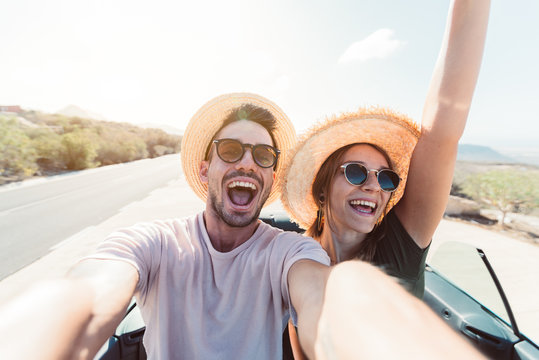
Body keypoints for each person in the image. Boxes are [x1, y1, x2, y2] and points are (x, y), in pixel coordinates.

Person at [0, 92, 486, 359]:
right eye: (230, 151)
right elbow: (82, 299)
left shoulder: (290, 254)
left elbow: (329, 302)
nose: (247, 163)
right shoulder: (150, 242)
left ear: (271, 176)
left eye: (263, 155)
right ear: (205, 169)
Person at [280, 0, 490, 357]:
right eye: (357, 172)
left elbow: (442, 129)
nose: (374, 186)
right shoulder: (291, 255)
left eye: (387, 178)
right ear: (321, 188)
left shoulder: (402, 243)